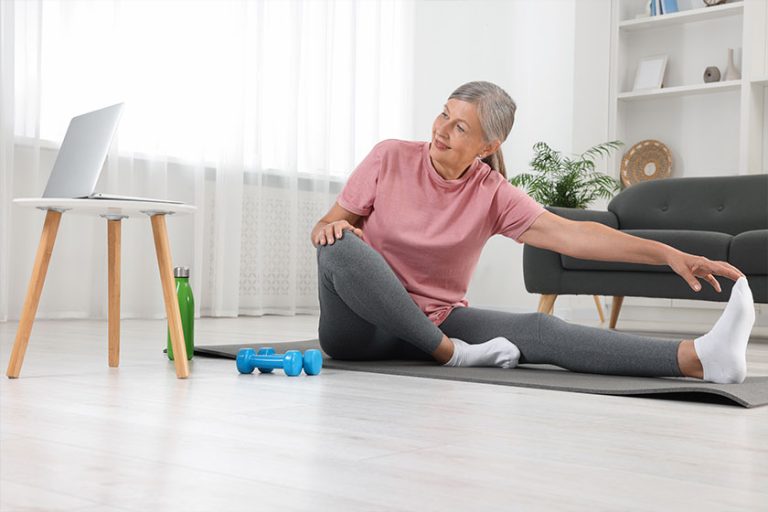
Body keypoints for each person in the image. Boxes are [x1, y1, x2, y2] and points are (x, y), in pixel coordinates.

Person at [310, 81, 755, 384]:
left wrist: (667, 254)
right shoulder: (389, 157)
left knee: (538, 328)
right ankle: (449, 354)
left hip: (439, 319)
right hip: (361, 332)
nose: (441, 131)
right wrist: (332, 231)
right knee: (340, 246)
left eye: (459, 126)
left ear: (488, 146)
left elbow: (576, 236)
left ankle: (699, 359)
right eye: (444, 115)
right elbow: (326, 227)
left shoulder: (491, 193)